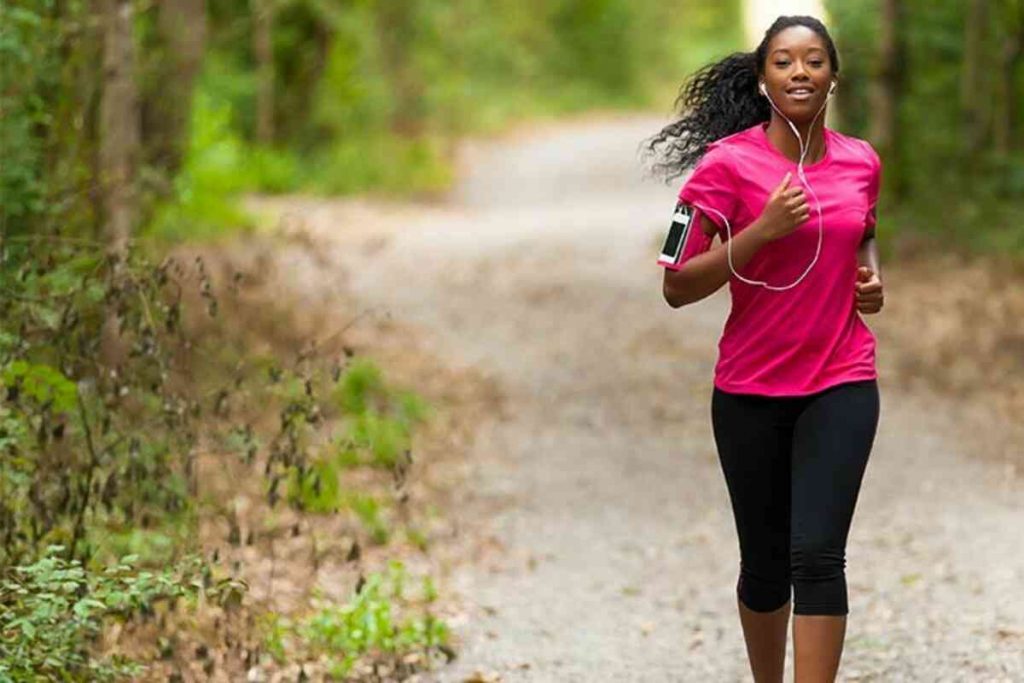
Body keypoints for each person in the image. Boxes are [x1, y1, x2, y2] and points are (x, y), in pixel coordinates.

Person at [647, 15, 884, 683]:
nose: (800, 71)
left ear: (833, 77)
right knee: (765, 562)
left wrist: (870, 272)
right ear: (763, 78)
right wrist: (760, 232)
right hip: (749, 389)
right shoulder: (722, 170)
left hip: (842, 379)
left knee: (818, 556)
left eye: (814, 60)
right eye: (784, 61)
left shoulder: (862, 160)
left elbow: (863, 225)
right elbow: (675, 284)